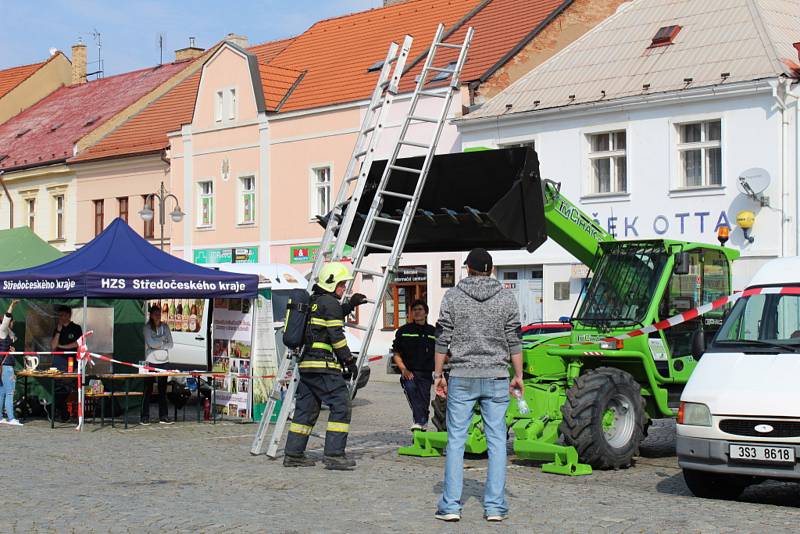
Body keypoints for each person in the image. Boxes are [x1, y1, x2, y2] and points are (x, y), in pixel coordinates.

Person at [433, 248, 523, 523]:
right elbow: (515, 339)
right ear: (492, 270)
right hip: (497, 376)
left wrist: (438, 375)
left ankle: (450, 505)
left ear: (468, 269)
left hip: (461, 376)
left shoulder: (453, 296)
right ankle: (494, 507)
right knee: (497, 442)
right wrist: (518, 375)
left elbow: (441, 338)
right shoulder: (507, 297)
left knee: (456, 440)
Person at [283, 262, 366, 470]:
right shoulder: (330, 303)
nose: (343, 288)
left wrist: (350, 305)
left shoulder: (314, 301)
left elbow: (328, 318)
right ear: (330, 282)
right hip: (324, 365)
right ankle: (334, 455)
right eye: (341, 284)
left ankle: (293, 454)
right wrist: (348, 360)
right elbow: (336, 336)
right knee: (341, 405)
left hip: (307, 365)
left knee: (306, 410)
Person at [392, 299, 436, 432]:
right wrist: (404, 369)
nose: (417, 312)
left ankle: (421, 423)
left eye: (420, 309)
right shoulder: (403, 331)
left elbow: (441, 353)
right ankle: (420, 421)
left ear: (426, 313)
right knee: (412, 392)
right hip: (409, 372)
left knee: (424, 400)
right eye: (414, 310)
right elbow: (396, 353)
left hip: (426, 374)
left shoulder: (433, 332)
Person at [142, 304, 174, 425]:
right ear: (151, 315)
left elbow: (171, 344)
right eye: (156, 314)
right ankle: (144, 416)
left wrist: (158, 342)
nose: (158, 317)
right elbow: (151, 343)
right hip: (150, 360)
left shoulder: (165, 326)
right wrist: (162, 341)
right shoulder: (147, 328)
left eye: (160, 314)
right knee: (148, 389)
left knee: (162, 389)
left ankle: (164, 416)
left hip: (164, 361)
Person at [50, 305, 83, 422]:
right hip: (58, 360)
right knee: (57, 386)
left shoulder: (76, 328)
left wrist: (62, 347)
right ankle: (62, 412)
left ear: (69, 315)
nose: (61, 318)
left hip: (71, 361)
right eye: (60, 316)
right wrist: (58, 330)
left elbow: (78, 343)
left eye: (63, 315)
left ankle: (60, 410)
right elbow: (53, 346)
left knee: (68, 386)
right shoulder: (57, 329)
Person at [0, 300, 22, 426]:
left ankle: (1, 417)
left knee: (2, 392)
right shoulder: (3, 330)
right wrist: (12, 306)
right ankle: (11, 418)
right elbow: (6, 320)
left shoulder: (6, 333)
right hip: (6, 366)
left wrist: (10, 348)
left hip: (2, 365)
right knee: (9, 392)